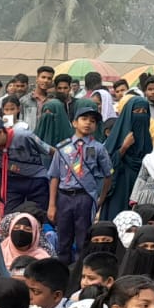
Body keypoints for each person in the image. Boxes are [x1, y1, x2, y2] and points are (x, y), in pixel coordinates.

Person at [47, 99, 110, 263]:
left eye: (93, 121)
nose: (88, 123)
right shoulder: (63, 147)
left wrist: (100, 199)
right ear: (74, 123)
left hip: (85, 197)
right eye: (84, 119)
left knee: (84, 239)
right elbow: (54, 176)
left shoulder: (98, 148)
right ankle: (63, 271)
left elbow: (108, 175)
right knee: (63, 239)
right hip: (64, 197)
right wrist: (52, 204)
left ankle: (81, 272)